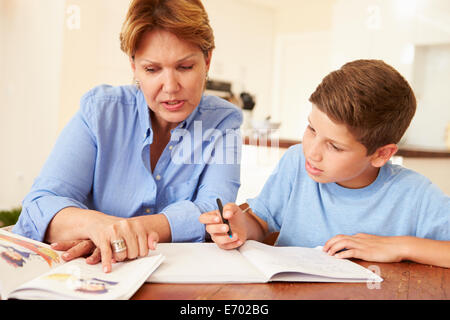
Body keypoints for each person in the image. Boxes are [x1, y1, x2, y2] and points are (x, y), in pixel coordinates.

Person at [13, 0, 242, 273]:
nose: (170, 87)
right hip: (90, 275)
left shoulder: (224, 121)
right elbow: (41, 203)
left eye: (184, 67)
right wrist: (98, 228)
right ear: (134, 66)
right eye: (152, 69)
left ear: (207, 60)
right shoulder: (100, 111)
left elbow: (213, 212)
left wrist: (128, 232)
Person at [200, 59, 450, 268]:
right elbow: (261, 222)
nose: (312, 152)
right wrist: (241, 226)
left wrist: (400, 246)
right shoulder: (296, 162)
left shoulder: (414, 194)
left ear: (381, 154)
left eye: (335, 146)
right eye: (311, 128)